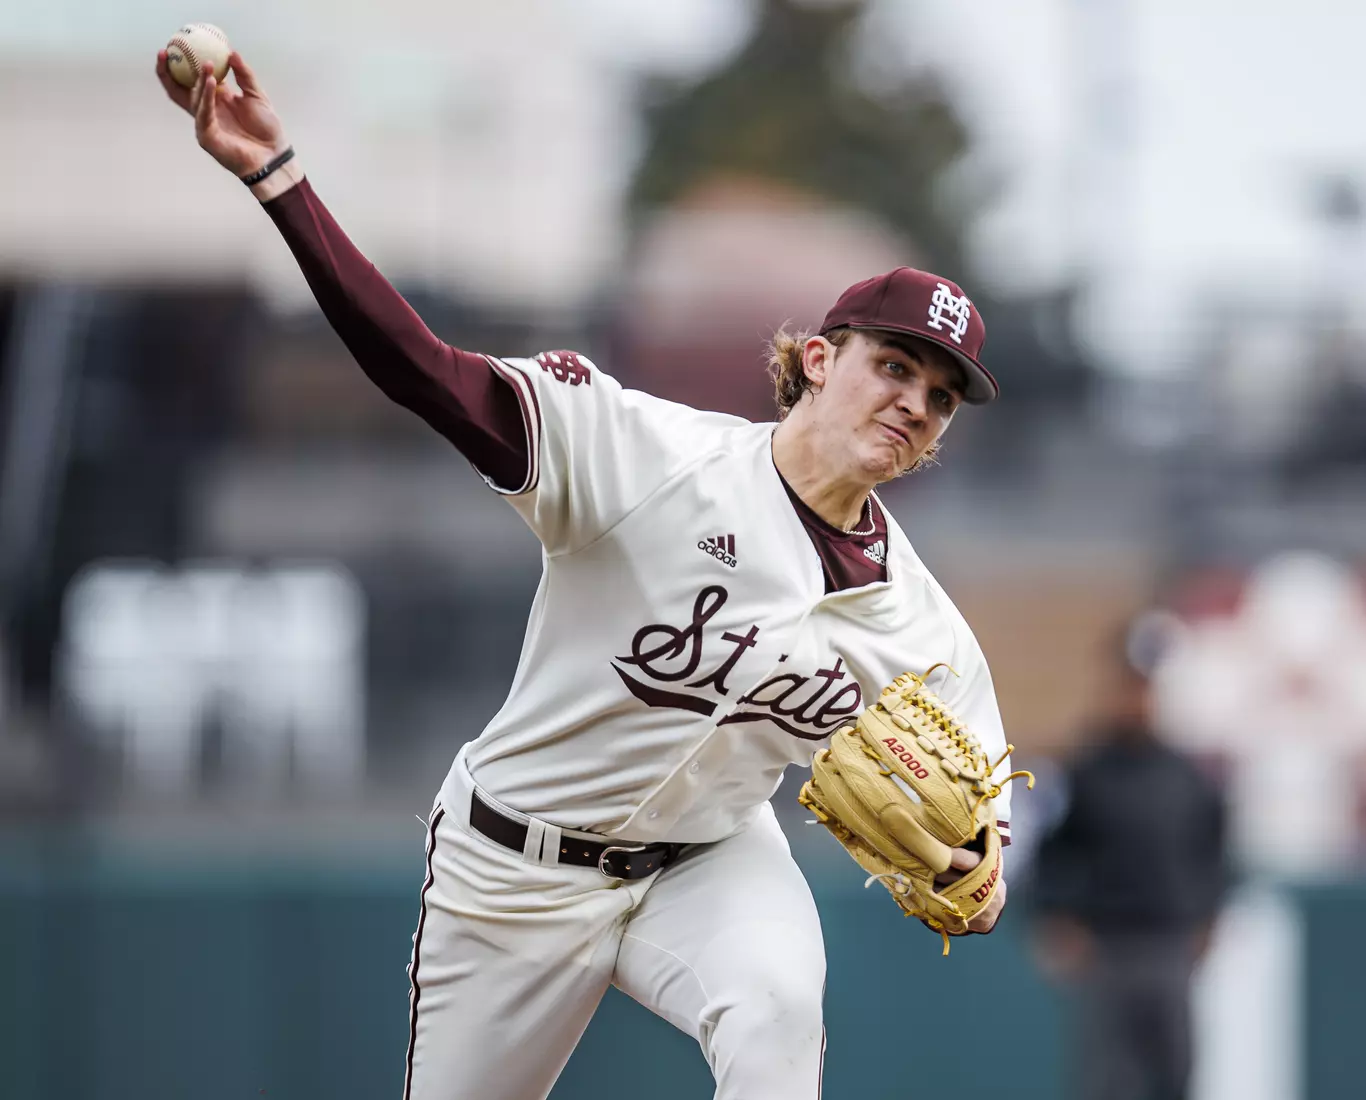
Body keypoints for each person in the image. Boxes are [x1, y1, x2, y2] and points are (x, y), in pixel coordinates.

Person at [157, 51, 1021, 1100]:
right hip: (513, 867)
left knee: (779, 1006)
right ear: (821, 357)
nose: (913, 403)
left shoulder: (921, 627)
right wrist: (280, 180)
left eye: (938, 396)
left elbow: (983, 836)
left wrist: (976, 874)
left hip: (709, 860)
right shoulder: (651, 457)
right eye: (894, 365)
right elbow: (420, 369)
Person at [1031, 616, 1229, 1100]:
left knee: (1174, 1073)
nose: (1137, 700)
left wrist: (1208, 915)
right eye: (1129, 686)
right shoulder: (1084, 772)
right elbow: (1050, 852)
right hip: (1109, 949)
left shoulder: (1187, 777)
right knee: (1110, 1081)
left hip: (1169, 946)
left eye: (1145, 688)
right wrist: (1055, 918)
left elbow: (1215, 851)